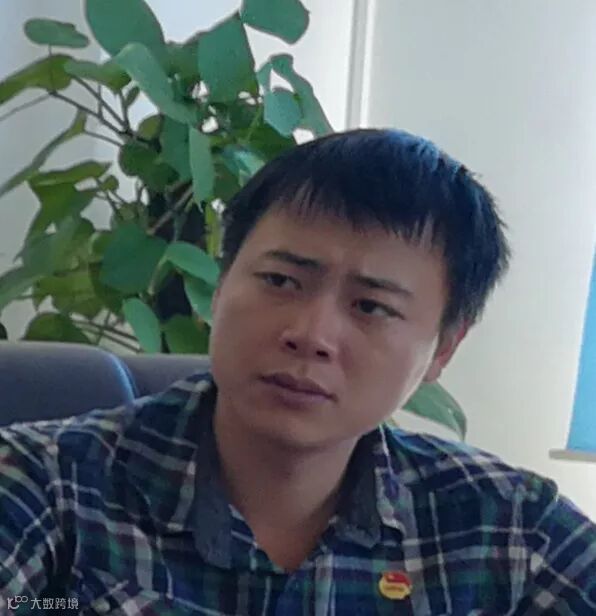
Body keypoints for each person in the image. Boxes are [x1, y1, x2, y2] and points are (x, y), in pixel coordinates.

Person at [1, 128, 595, 614]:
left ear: (443, 349)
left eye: (372, 307)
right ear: (220, 286)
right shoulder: (43, 488)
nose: (311, 335)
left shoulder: (512, 532)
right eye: (281, 281)